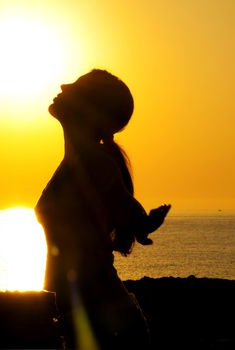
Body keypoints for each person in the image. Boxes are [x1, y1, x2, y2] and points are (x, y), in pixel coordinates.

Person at [34, 69, 171, 349]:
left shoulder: (94, 161)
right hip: (88, 316)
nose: (64, 84)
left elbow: (126, 205)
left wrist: (142, 222)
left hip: (104, 320)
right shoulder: (81, 161)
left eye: (78, 86)